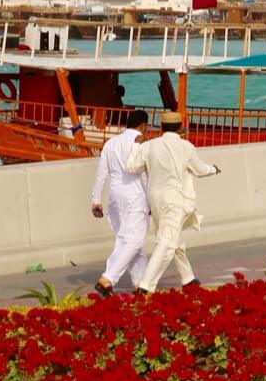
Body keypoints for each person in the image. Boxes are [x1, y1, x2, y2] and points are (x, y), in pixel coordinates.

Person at [125, 113, 221, 293]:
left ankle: (188, 278)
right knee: (167, 242)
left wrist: (136, 146)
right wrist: (213, 169)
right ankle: (146, 286)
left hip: (154, 199)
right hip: (174, 199)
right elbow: (200, 170)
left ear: (161, 127)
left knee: (174, 239)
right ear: (180, 128)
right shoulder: (186, 147)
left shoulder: (149, 146)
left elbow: (131, 166)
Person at [89, 109, 150, 297]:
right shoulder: (141, 143)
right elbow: (145, 175)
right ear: (143, 125)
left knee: (125, 241)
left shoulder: (111, 143)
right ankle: (108, 278)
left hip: (115, 196)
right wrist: (151, 201)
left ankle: (141, 284)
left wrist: (96, 200)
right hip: (136, 196)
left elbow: (101, 174)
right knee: (135, 240)